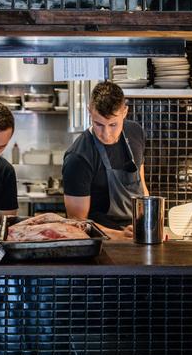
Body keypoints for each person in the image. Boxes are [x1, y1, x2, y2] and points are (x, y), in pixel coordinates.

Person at [62, 81, 149, 239]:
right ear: (90, 111)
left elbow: (141, 185)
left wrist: (147, 223)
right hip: (103, 243)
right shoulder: (78, 157)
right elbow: (77, 221)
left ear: (125, 112)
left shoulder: (136, 133)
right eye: (99, 124)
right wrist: (120, 235)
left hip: (138, 236)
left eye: (113, 124)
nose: (106, 134)